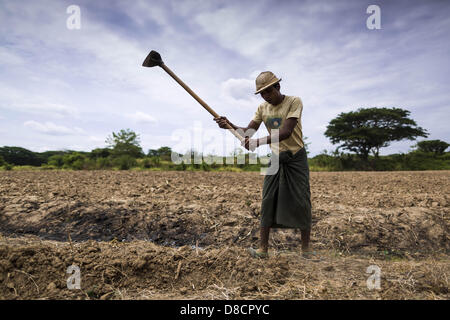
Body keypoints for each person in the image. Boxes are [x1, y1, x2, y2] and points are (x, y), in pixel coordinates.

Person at [214, 71, 315, 259]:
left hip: (296, 156)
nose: (266, 96)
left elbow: (286, 132)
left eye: (268, 91)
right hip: (276, 157)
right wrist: (228, 124)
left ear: (278, 87)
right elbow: (248, 132)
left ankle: (306, 250)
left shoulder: (294, 102)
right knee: (268, 199)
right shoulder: (262, 108)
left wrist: (258, 142)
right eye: (262, 93)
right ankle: (263, 249)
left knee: (302, 200)